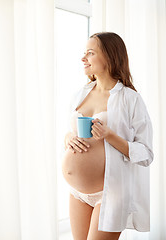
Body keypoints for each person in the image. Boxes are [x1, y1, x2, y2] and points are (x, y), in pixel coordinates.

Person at [62, 32, 153, 240]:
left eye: (90, 53)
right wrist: (68, 137)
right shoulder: (81, 93)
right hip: (78, 193)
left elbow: (146, 154)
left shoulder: (130, 99)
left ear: (110, 58)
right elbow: (70, 133)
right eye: (84, 53)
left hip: (111, 192)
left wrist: (109, 135)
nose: (83, 58)